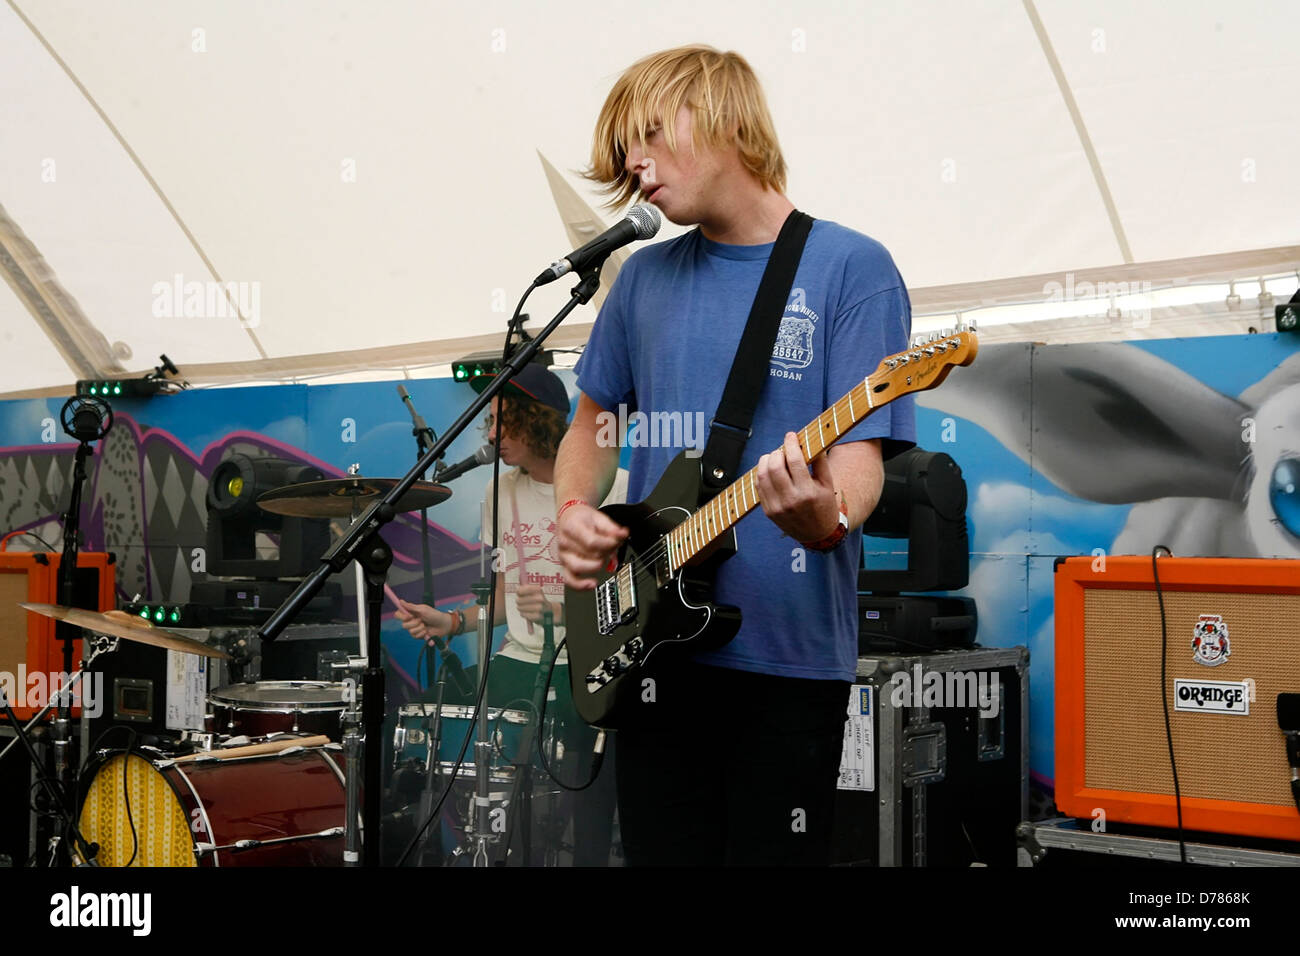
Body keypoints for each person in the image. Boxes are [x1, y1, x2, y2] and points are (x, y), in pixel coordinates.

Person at [554, 45, 916, 866]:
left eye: (646, 135)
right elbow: (589, 427)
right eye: (622, 156)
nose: (634, 169)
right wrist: (574, 512)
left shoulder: (850, 269)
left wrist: (825, 521)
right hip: (650, 649)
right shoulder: (639, 280)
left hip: (787, 665)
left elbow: (860, 463)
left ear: (723, 118)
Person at [395, 363, 627, 866]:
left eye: (506, 420)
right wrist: (453, 622)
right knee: (488, 784)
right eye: (490, 423)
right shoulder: (499, 494)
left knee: (590, 806)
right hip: (518, 665)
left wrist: (564, 611)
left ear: (540, 420)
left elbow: (631, 602)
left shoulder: (617, 486)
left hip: (588, 671)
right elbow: (505, 594)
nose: (493, 434)